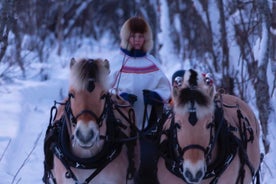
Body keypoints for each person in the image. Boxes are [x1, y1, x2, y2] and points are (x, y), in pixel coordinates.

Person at [109, 16, 171, 184]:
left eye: (140, 36)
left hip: (148, 125)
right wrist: (120, 98)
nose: (137, 40)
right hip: (119, 124)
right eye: (133, 36)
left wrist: (156, 96)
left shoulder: (151, 62)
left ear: (146, 38)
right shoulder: (117, 61)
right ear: (126, 37)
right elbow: (105, 90)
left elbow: (166, 88)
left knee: (148, 158)